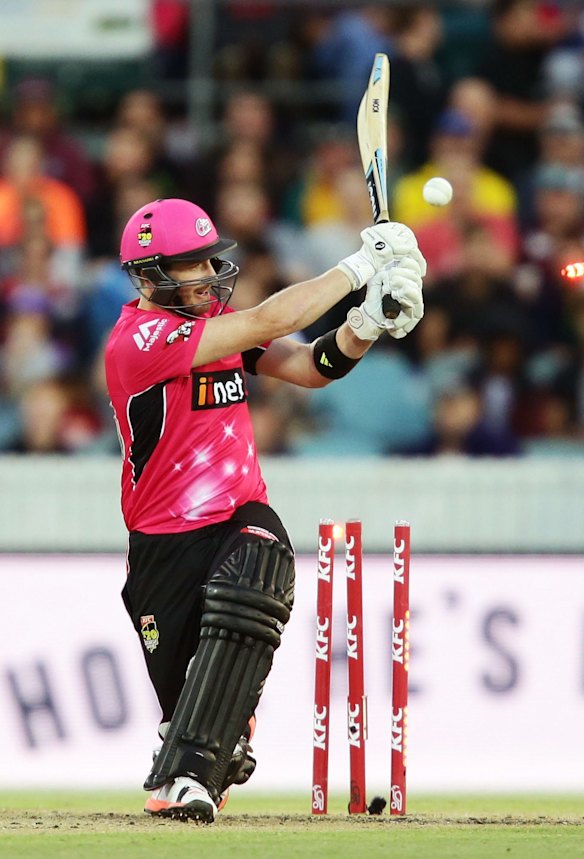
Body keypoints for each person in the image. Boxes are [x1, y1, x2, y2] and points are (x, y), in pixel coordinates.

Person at [104, 197, 426, 823]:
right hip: (162, 542)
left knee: (259, 569)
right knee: (187, 712)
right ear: (147, 276)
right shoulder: (140, 341)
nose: (205, 275)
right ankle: (200, 763)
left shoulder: (213, 326)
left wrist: (368, 321)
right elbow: (266, 320)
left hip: (237, 513)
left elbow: (310, 367)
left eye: (206, 260)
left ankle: (194, 769)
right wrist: (360, 266)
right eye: (188, 265)